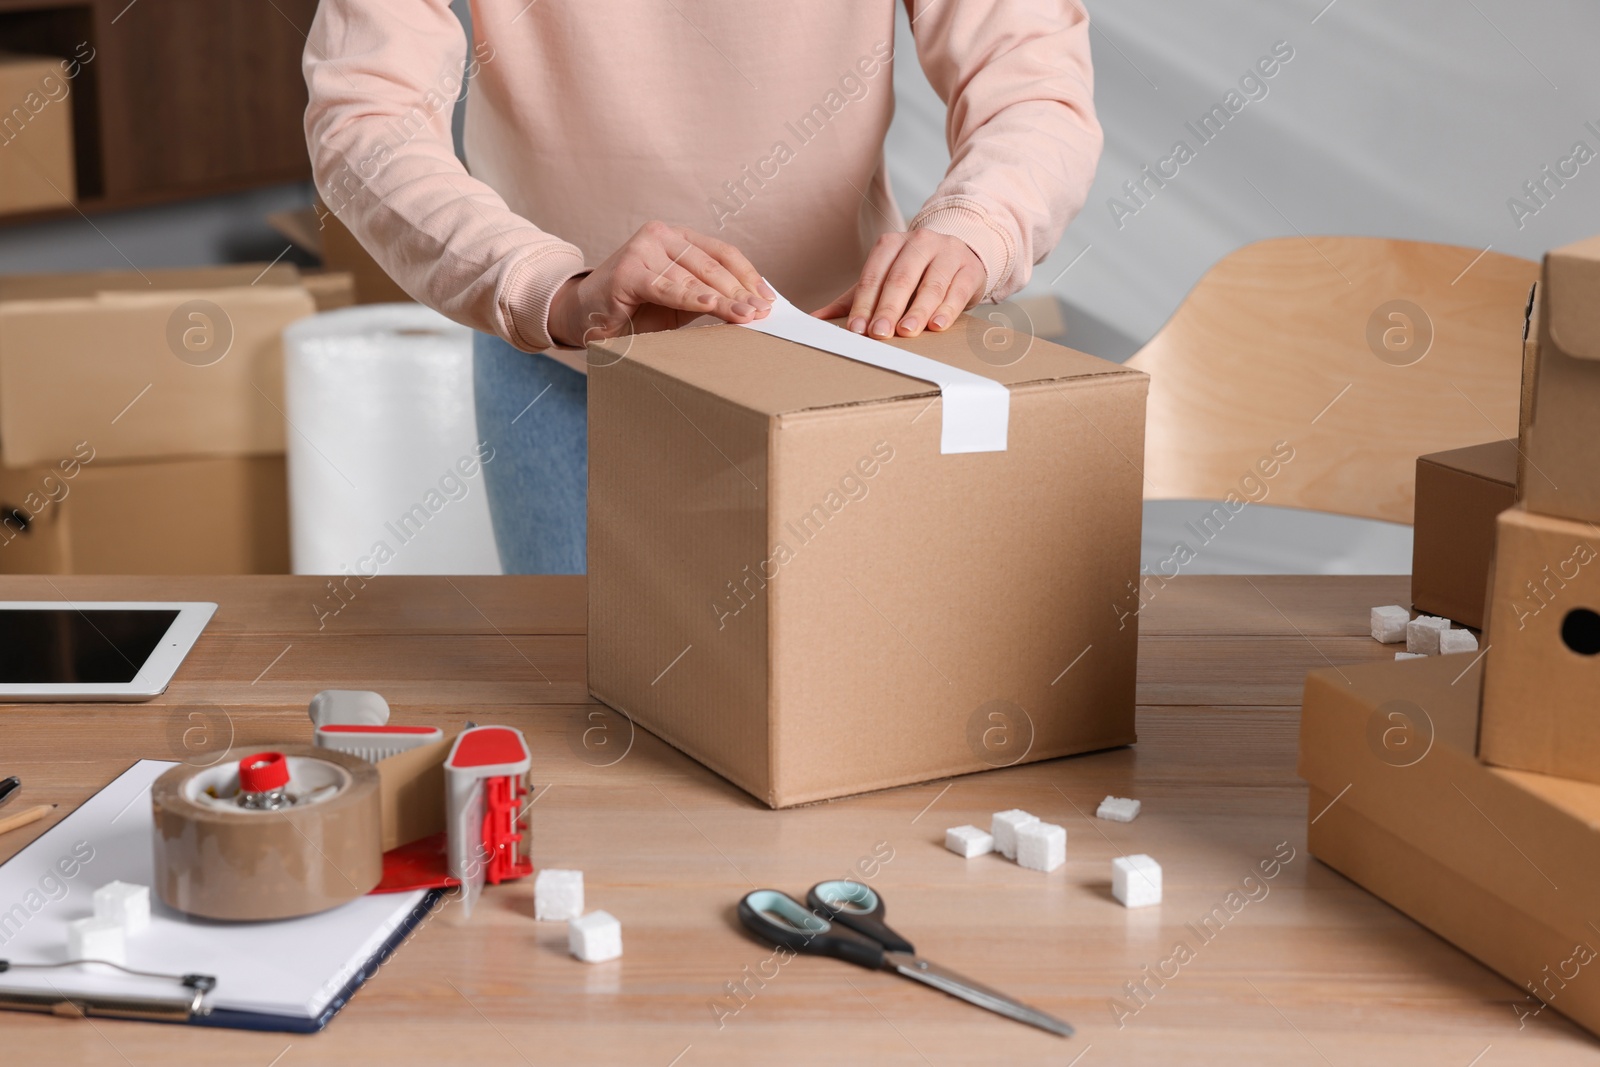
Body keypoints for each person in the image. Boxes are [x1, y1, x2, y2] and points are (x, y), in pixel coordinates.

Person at [304, 2, 1101, 574]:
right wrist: (552, 287)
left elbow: (1030, 78)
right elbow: (367, 115)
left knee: (838, 726)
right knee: (588, 731)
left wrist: (976, 223)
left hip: (842, 364)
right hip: (564, 363)